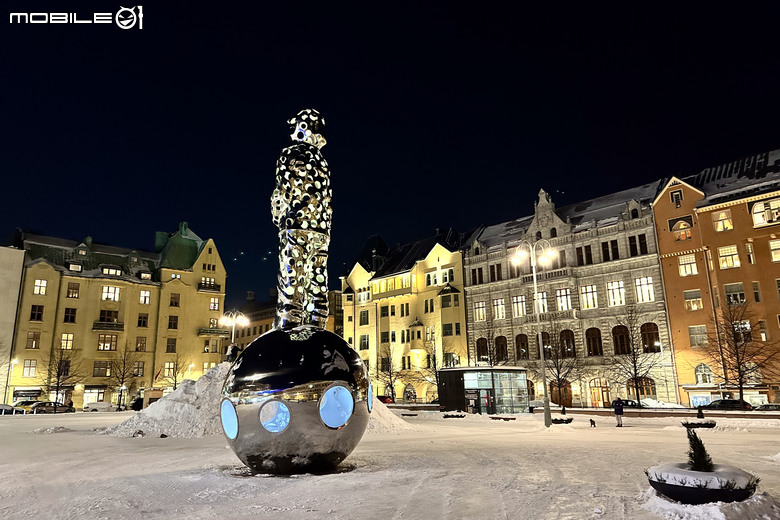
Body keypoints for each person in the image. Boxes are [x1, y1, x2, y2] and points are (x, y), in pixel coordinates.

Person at [271, 108, 332, 330]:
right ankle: (318, 318)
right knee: (317, 273)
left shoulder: (289, 154)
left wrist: (278, 216)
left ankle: (289, 319)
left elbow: (281, 191)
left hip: (294, 224)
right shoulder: (323, 162)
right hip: (321, 229)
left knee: (292, 271)